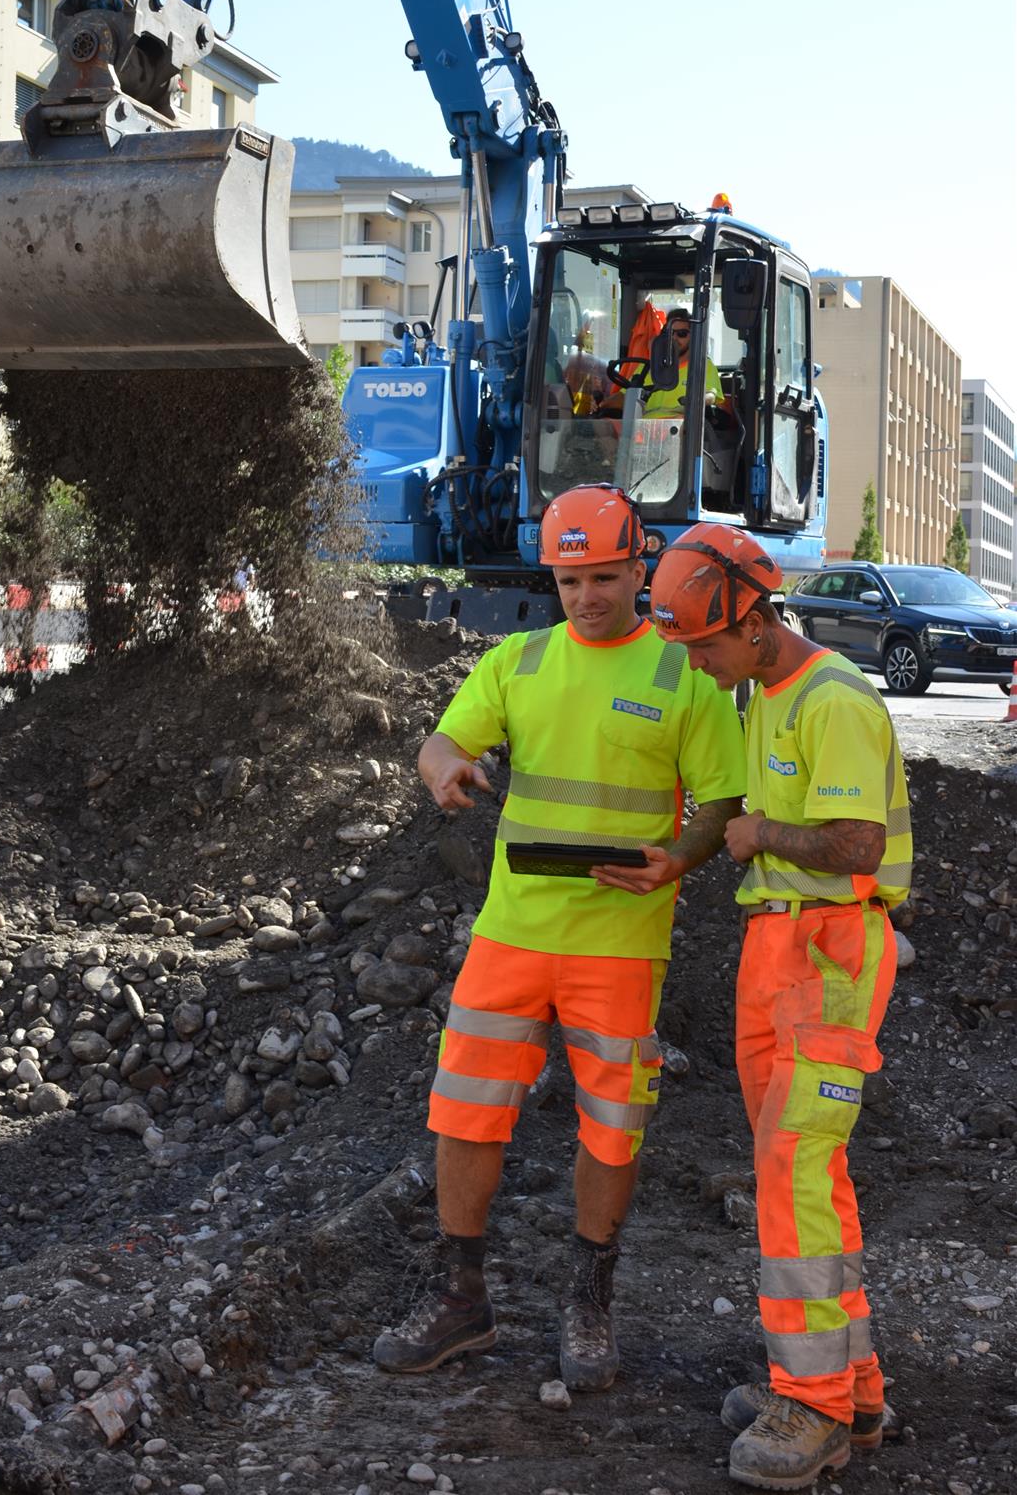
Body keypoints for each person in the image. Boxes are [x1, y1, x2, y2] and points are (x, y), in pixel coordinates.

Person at [373, 485, 745, 1389]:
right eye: (571, 578)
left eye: (606, 577)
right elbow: (440, 742)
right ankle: (461, 1299)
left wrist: (676, 861)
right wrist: (444, 769)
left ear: (639, 567)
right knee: (464, 1110)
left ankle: (589, 1301)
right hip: (512, 932)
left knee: (611, 1126)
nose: (587, 596)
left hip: (619, 940)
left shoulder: (682, 673)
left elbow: (724, 802)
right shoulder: (518, 661)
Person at [648, 526, 912, 1490]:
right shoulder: (764, 693)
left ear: (756, 624)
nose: (698, 664)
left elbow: (853, 842)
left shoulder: (831, 697)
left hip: (828, 951)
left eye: (707, 646)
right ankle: (852, 1383)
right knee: (806, 1168)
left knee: (793, 1164)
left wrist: (757, 832)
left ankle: (814, 1408)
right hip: (781, 949)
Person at [640, 308, 723, 418]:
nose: (674, 338)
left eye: (682, 334)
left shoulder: (703, 366)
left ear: (693, 337)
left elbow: (710, 395)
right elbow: (624, 396)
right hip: (642, 428)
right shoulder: (647, 366)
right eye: (670, 333)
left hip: (680, 428)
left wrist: (692, 401)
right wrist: (608, 401)